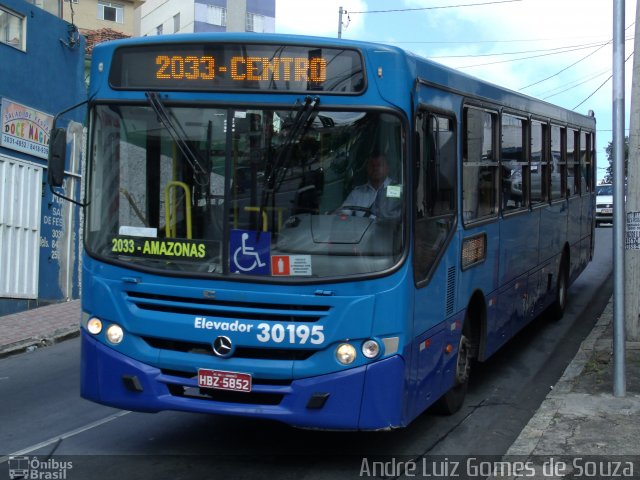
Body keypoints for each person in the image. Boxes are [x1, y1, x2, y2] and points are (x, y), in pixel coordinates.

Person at [339, 152, 401, 218]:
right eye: (372, 165)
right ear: (367, 168)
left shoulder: (398, 189)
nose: (375, 168)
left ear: (388, 168)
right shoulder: (357, 193)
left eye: (379, 165)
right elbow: (344, 212)